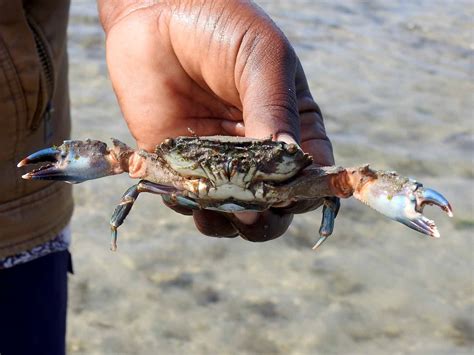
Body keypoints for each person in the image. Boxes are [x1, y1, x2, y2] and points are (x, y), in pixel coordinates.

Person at [0, 1, 334, 354]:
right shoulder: (162, 172)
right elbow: (137, 183)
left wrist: (147, 7)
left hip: (20, 222)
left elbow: (347, 182)